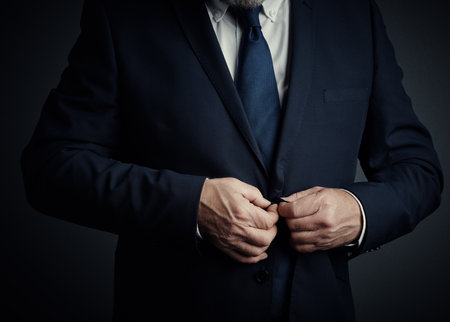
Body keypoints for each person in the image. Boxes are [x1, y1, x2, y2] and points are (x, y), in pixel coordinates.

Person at [21, 0, 443, 321]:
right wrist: (189, 207)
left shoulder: (353, 17)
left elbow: (417, 170)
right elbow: (52, 165)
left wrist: (360, 211)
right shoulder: (124, 16)